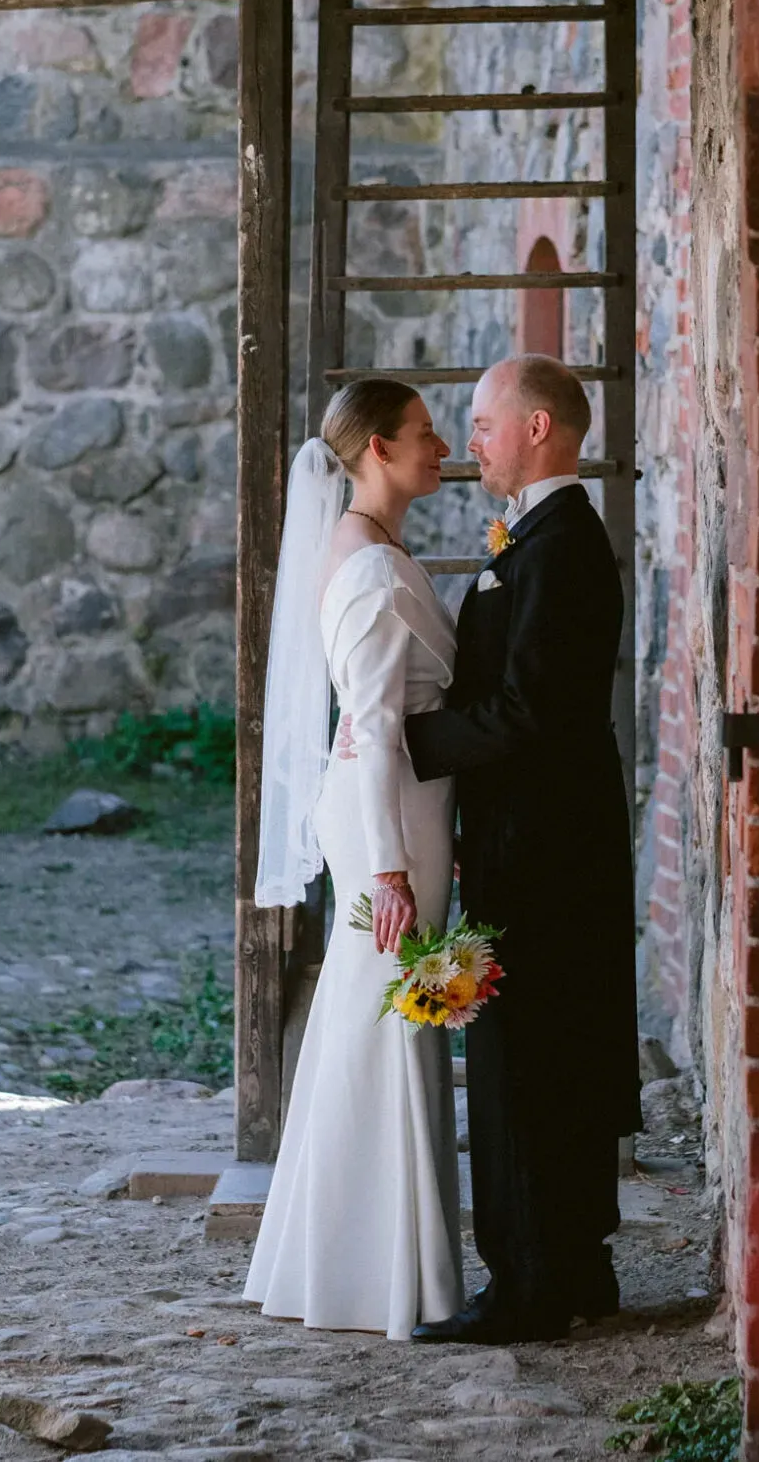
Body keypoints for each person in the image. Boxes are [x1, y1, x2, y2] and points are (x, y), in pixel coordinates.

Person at [386, 353, 641, 1345]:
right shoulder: (540, 538)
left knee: (519, 1058)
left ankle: (530, 1284)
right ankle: (576, 1262)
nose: (471, 440)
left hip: (538, 846)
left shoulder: (557, 546)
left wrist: (405, 740)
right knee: (557, 1047)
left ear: (538, 428)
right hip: (546, 835)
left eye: (485, 421)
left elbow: (529, 709)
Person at [243, 378, 464, 1340]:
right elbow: (372, 729)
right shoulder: (372, 573)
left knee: (372, 1023)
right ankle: (374, 1273)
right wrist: (387, 871)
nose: (442, 444)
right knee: (387, 1024)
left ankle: (351, 1261)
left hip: (396, 809)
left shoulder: (374, 548)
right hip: (392, 824)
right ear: (376, 449)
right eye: (423, 434)